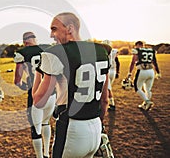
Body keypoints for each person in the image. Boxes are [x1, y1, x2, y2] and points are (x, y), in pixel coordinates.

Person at [32, 12, 110, 158]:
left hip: (72, 129)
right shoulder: (102, 50)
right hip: (95, 127)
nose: (51, 35)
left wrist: (38, 72)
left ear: (70, 28)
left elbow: (38, 101)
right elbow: (105, 100)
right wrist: (96, 124)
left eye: (54, 29)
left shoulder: (57, 53)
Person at [14, 32, 56, 158]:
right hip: (51, 93)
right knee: (46, 122)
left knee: (35, 128)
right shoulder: (48, 48)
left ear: (25, 41)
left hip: (35, 93)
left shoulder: (22, 53)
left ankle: (39, 156)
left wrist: (23, 86)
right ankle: (46, 154)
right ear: (34, 39)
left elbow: (17, 79)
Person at [127, 41, 161, 111]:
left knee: (137, 87)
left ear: (137, 45)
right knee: (148, 89)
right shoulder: (151, 50)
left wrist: (129, 72)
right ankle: (145, 104)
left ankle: (147, 101)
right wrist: (158, 72)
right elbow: (155, 62)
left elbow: (133, 62)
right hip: (151, 71)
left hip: (142, 71)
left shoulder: (137, 50)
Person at [102, 40, 120, 111]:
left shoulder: (103, 51)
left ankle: (112, 104)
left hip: (107, 71)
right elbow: (118, 62)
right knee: (108, 88)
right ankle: (111, 103)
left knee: (107, 88)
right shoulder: (114, 51)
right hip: (113, 71)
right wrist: (118, 72)